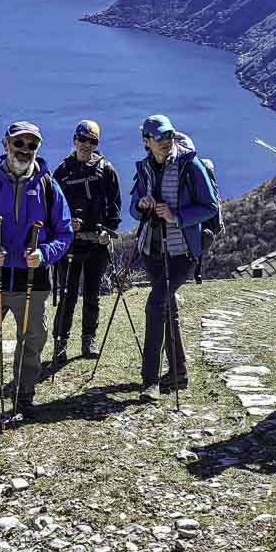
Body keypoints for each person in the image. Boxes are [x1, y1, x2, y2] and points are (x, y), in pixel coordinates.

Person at [0, 121, 73, 438]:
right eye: (18, 144)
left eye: (31, 145)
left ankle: (24, 399)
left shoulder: (49, 187)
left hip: (33, 282)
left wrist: (45, 253)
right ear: (5, 145)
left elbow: (64, 233)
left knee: (32, 343)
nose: (24, 150)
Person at [129, 115, 222, 400]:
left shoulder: (189, 165)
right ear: (146, 141)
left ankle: (149, 381)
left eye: (169, 136)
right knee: (167, 308)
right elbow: (133, 208)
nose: (166, 142)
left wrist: (176, 216)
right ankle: (179, 372)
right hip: (154, 251)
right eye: (160, 138)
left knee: (155, 306)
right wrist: (142, 205)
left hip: (182, 253)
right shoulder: (145, 168)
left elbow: (210, 206)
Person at [51, 120, 122, 363]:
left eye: (92, 141)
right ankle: (60, 342)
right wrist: (66, 224)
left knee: (92, 293)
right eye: (83, 140)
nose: (86, 145)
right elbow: (51, 209)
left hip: (97, 242)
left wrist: (108, 231)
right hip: (69, 244)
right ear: (74, 140)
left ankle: (88, 339)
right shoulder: (61, 172)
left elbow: (115, 207)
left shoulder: (106, 170)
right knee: (67, 294)